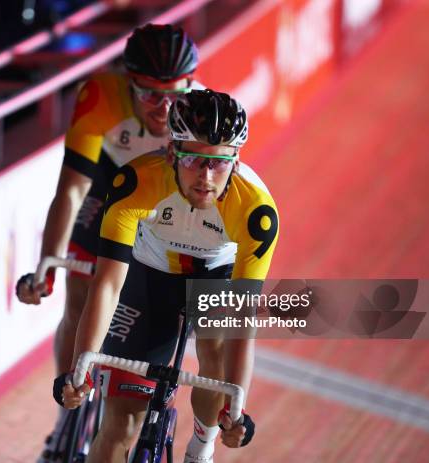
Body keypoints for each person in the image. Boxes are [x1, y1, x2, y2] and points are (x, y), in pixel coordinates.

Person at [55, 89, 279, 463]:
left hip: (215, 274)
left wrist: (235, 411)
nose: (206, 177)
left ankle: (201, 449)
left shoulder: (257, 213)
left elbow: (242, 324)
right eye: (193, 159)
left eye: (219, 163)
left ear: (236, 162)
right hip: (149, 272)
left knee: (216, 351)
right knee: (120, 424)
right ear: (172, 152)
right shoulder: (136, 183)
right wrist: (81, 369)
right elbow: (108, 284)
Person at [16, 24, 200, 462]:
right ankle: (69, 404)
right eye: (150, 95)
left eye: (175, 95)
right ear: (127, 82)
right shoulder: (99, 94)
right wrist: (49, 261)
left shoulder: (199, 115)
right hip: (109, 190)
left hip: (163, 206)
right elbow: (72, 190)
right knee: (81, 296)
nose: (164, 108)